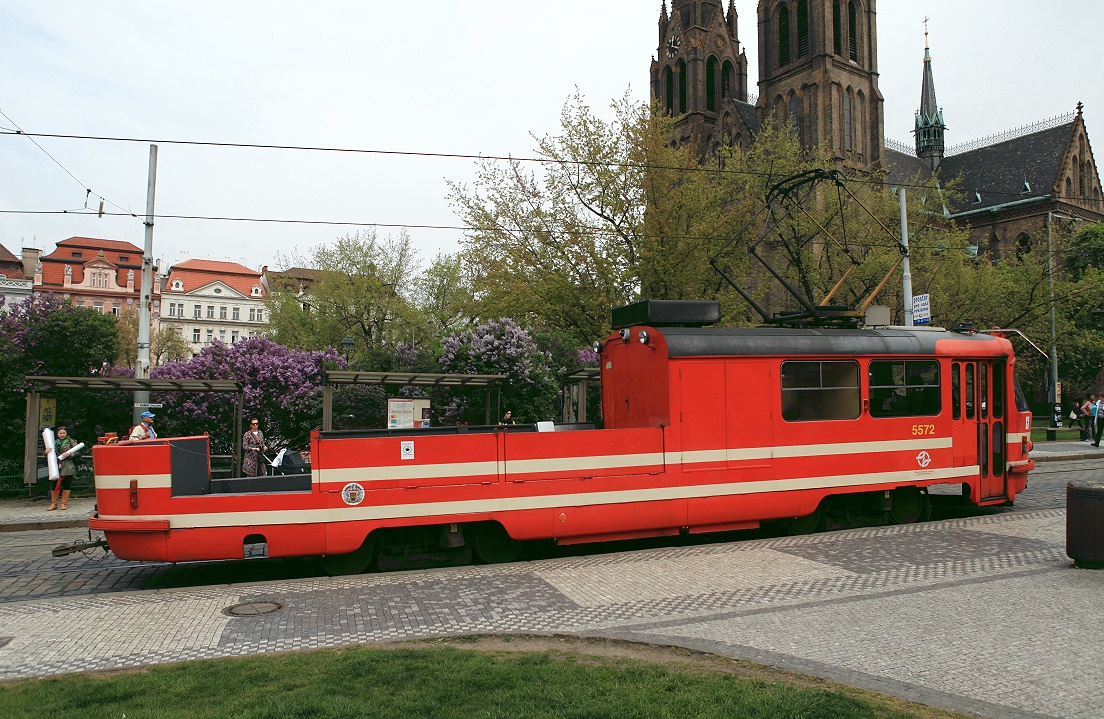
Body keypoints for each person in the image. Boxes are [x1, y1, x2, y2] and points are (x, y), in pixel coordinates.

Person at [45, 426, 80, 511]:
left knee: (66, 485)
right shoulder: (53, 442)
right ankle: (54, 503)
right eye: (60, 433)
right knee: (54, 484)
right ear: (57, 434)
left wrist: (70, 454)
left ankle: (64, 503)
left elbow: (78, 451)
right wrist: (46, 452)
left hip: (67, 465)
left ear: (66, 433)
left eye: (64, 433)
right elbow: (47, 451)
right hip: (55, 466)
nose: (62, 435)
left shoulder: (71, 441)